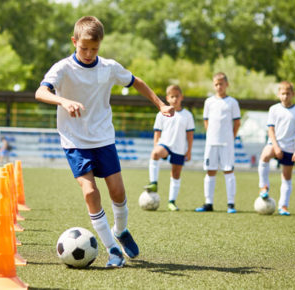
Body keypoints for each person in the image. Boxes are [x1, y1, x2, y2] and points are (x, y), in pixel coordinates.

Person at [35, 16, 174, 268]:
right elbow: (40, 91)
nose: (88, 53)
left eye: (94, 49)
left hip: (103, 139)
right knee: (90, 192)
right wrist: (63, 101)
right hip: (74, 141)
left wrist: (160, 104)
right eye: (83, 48)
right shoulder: (63, 68)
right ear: (74, 41)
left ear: (100, 45)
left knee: (118, 192)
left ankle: (121, 231)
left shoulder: (108, 67)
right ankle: (112, 249)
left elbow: (136, 82)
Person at [144, 85, 195, 211]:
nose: (175, 99)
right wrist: (156, 146)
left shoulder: (187, 115)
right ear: (167, 98)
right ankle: (154, 183)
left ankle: (171, 202)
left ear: (181, 97)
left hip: (180, 147)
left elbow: (190, 134)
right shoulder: (162, 114)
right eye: (172, 96)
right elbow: (157, 132)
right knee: (155, 154)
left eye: (177, 96)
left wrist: (189, 151)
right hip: (165, 144)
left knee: (176, 174)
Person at [195, 72, 241, 213]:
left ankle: (231, 204)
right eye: (216, 84)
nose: (219, 86)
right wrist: (211, 135)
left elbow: (237, 122)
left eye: (221, 84)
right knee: (210, 171)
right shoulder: (209, 102)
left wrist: (230, 137)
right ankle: (208, 203)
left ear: (227, 84)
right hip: (211, 143)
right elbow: (206, 120)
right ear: (213, 85)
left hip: (227, 143)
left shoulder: (232, 102)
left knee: (228, 171)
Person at [257, 81, 295, 216]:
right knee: (265, 155)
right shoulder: (274, 109)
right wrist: (276, 147)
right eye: (282, 94)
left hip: (289, 147)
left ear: (293, 94)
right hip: (274, 143)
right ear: (278, 94)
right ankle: (263, 187)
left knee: (286, 177)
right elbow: (270, 130)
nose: (285, 97)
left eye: (288, 94)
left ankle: (283, 206)